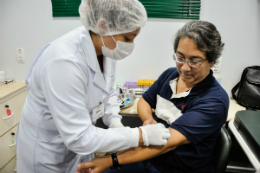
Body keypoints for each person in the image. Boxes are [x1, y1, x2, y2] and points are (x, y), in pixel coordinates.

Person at [16, 0, 171, 173]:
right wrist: (141, 135)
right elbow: (79, 137)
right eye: (128, 38)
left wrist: (114, 122)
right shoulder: (64, 61)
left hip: (79, 145)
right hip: (48, 150)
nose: (131, 45)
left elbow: (109, 91)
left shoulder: (105, 48)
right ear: (103, 25)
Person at [76, 21, 229, 173]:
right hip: (147, 158)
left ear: (211, 62)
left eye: (194, 61)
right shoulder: (170, 75)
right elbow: (144, 101)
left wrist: (111, 159)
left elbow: (169, 143)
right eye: (180, 57)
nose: (185, 68)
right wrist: (148, 119)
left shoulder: (214, 101)